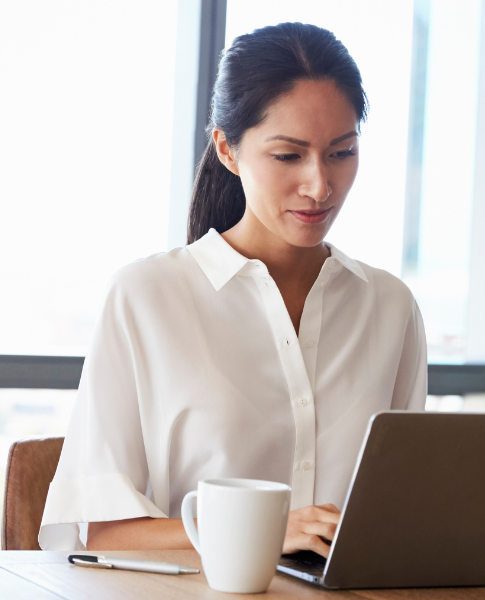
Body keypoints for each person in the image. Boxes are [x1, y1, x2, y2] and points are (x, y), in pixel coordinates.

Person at [38, 22, 427, 556]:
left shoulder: (390, 306)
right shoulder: (148, 297)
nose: (320, 185)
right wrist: (270, 531)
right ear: (226, 149)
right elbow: (105, 534)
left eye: (341, 152)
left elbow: (404, 511)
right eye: (288, 156)